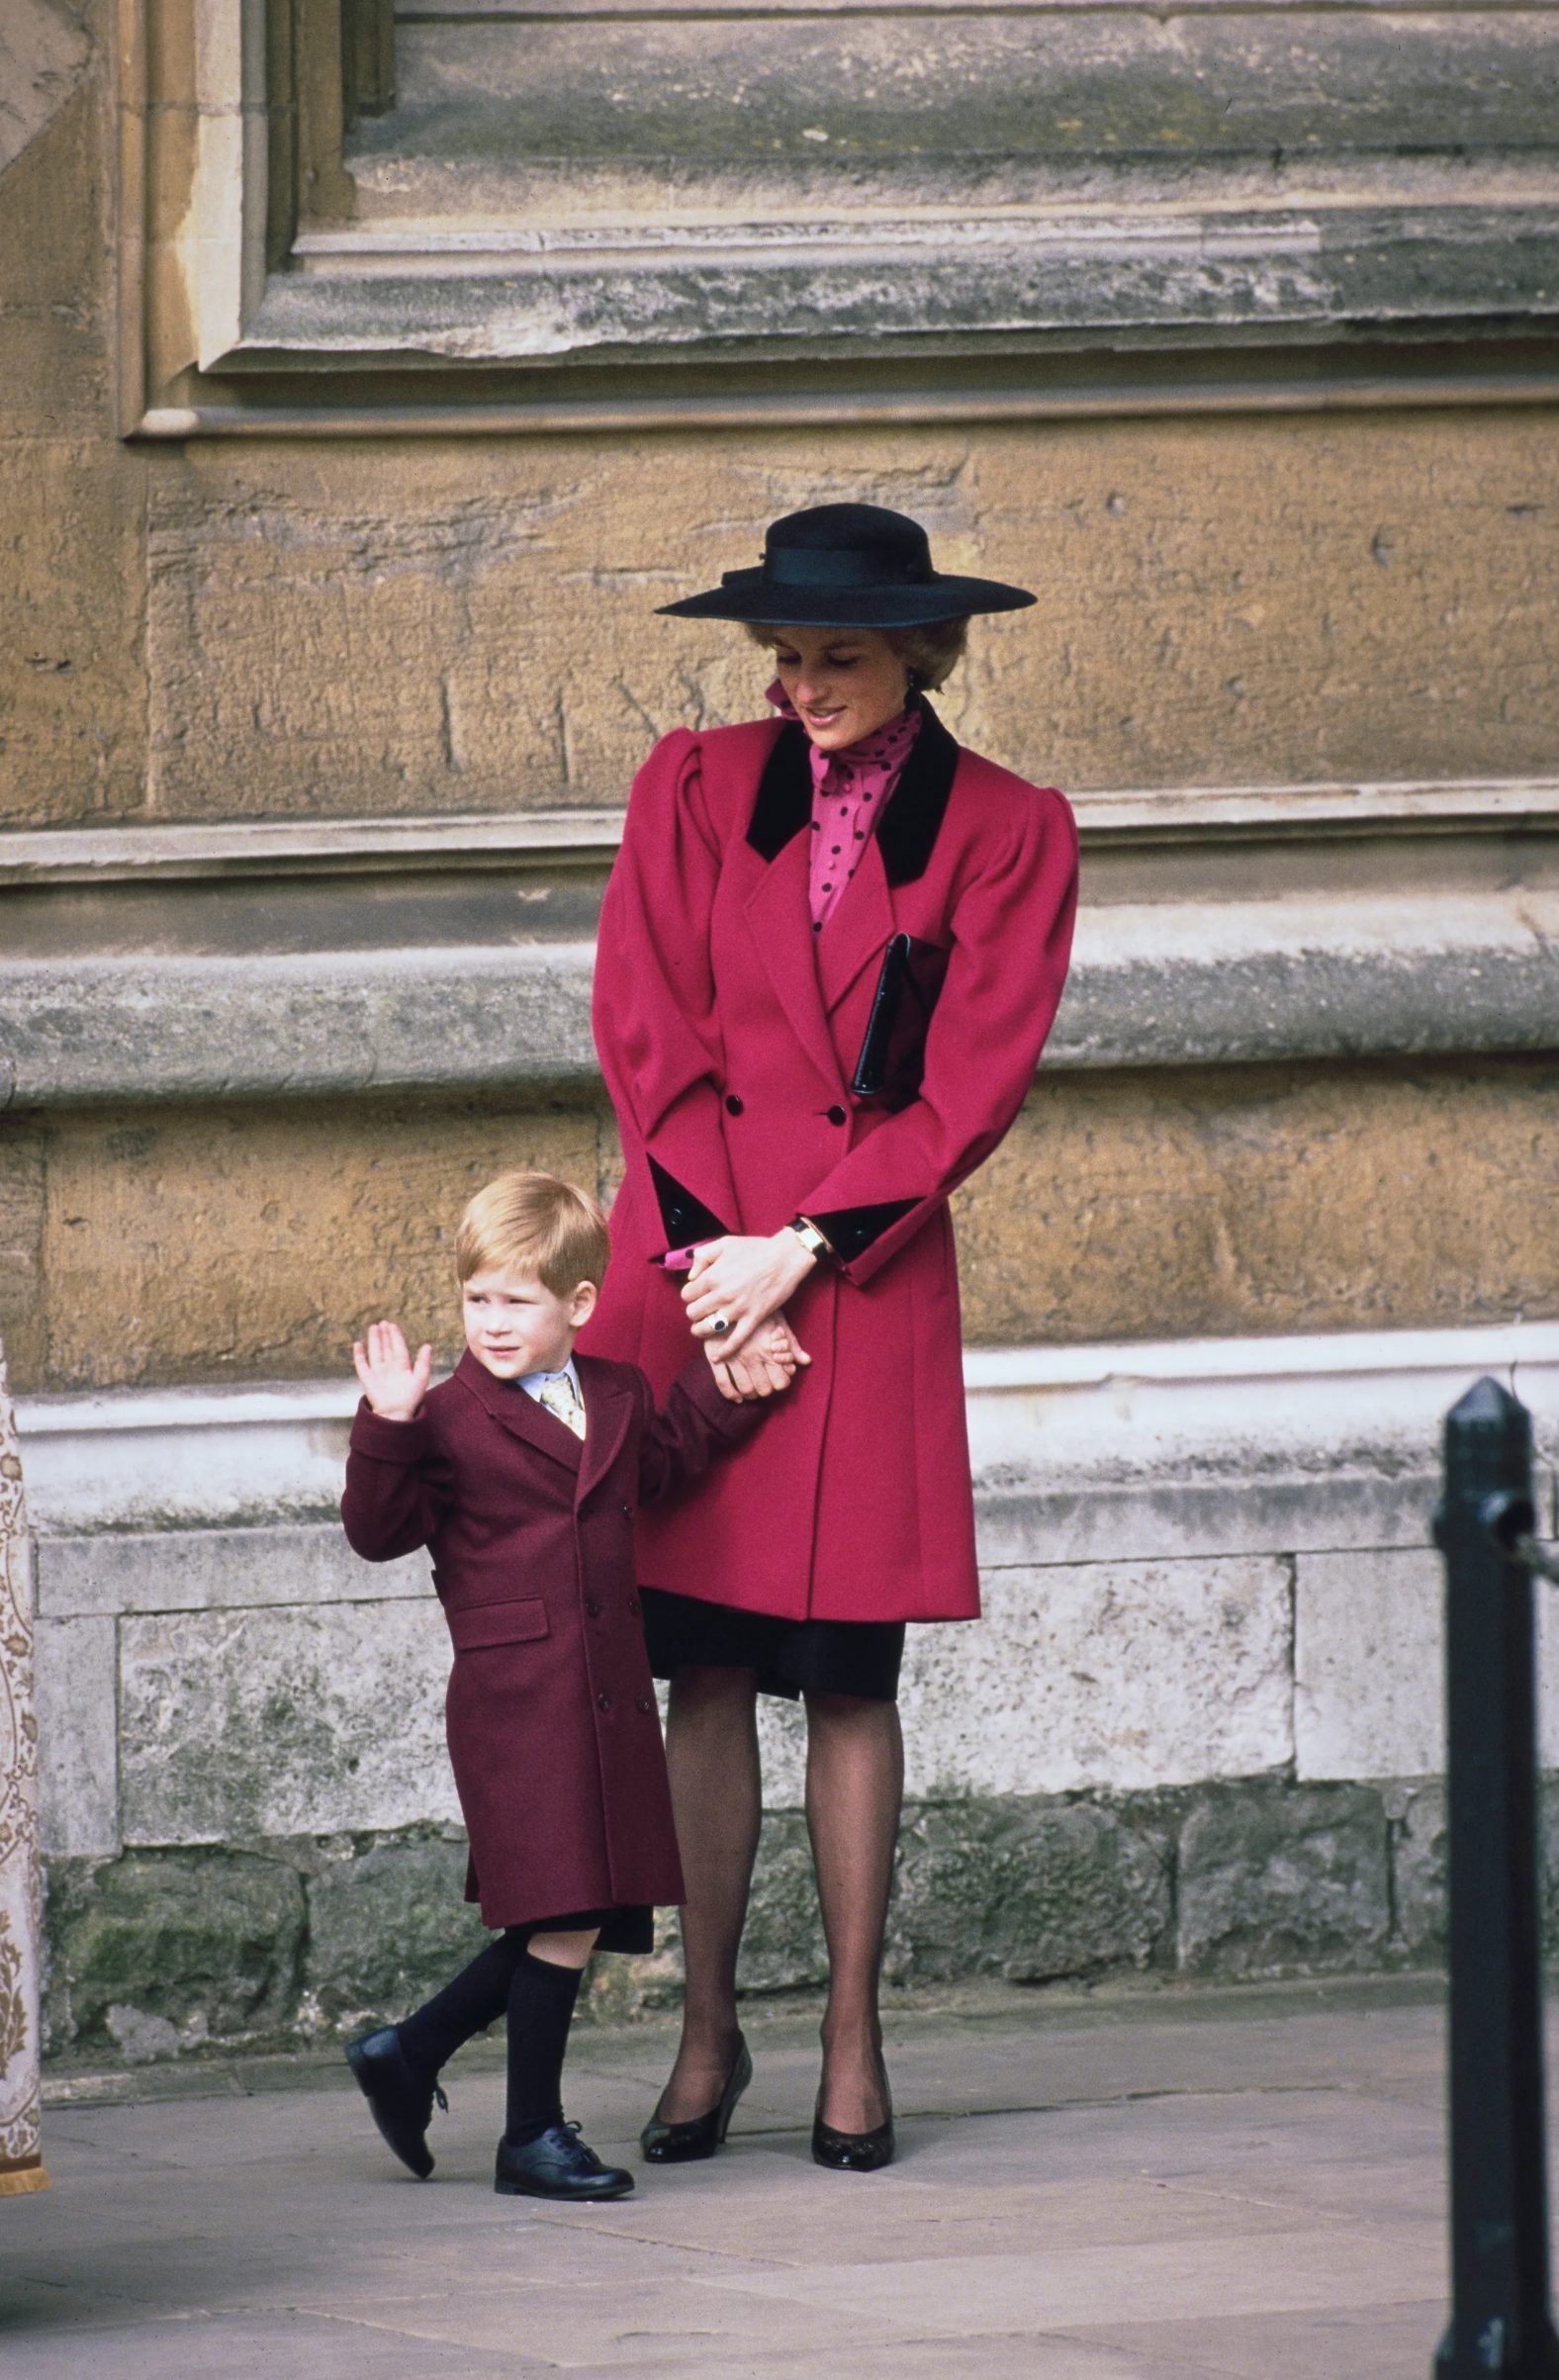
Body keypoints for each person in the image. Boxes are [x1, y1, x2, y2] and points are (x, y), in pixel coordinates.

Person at [580, 502, 1080, 2171]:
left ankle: (854, 2042)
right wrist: (720, 1266)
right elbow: (642, 1026)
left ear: (925, 653)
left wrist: (803, 1248)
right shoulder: (692, 785)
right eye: (783, 656)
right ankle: (708, 2030)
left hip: (862, 1276)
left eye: (840, 657)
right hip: (697, 1261)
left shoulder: (1011, 826)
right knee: (705, 1661)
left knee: (852, 1672)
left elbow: (976, 1078)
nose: (802, 685)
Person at [338, 1169, 796, 2200]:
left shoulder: (621, 1394)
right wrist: (389, 1425)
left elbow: (664, 1461)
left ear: (578, 1305)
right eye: (476, 1300)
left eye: (518, 1301)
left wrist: (727, 1380)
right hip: (517, 1700)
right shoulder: (447, 1416)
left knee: (575, 1911)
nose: (492, 1323)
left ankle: (409, 2055)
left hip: (609, 1691)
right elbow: (376, 1533)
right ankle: (527, 2135)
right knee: (561, 1912)